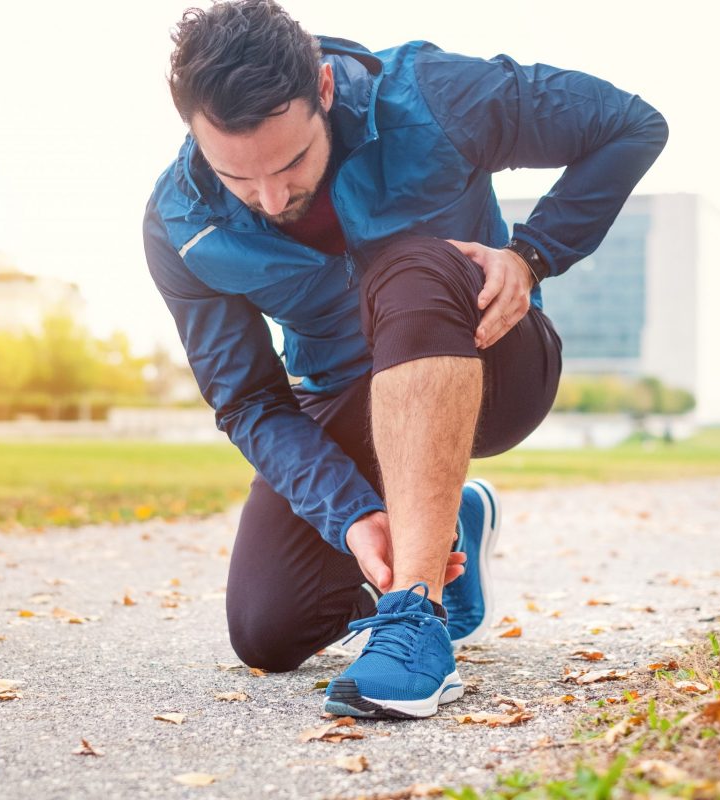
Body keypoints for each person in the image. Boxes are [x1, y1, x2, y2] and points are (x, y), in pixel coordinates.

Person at [142, 0, 667, 719]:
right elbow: (250, 402)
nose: (270, 198)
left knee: (412, 265)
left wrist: (532, 255)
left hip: (490, 363)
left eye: (291, 162)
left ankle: (416, 616)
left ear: (323, 89)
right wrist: (355, 515)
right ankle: (450, 523)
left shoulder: (431, 94)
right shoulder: (181, 226)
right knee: (268, 629)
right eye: (239, 177)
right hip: (348, 395)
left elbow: (630, 125)